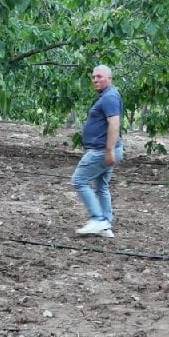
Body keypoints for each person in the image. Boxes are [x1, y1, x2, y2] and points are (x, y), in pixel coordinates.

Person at [72, 65, 123, 237]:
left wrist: (109, 150)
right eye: (93, 77)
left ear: (109, 78)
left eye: (99, 77)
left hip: (102, 150)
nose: (95, 80)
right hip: (105, 149)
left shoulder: (110, 97)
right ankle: (105, 224)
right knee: (101, 186)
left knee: (78, 180)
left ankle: (97, 218)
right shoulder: (107, 96)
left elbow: (114, 124)